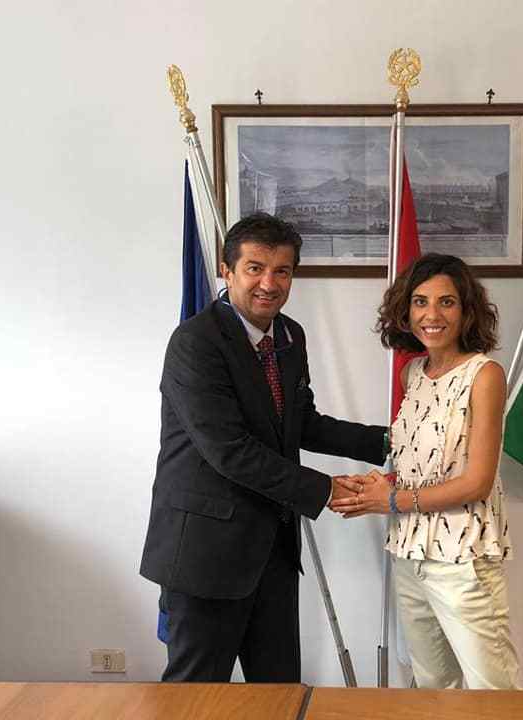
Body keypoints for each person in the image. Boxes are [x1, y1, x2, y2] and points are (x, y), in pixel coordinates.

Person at [139, 212, 387, 683]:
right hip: (205, 554)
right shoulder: (195, 343)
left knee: (278, 693)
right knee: (195, 698)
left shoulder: (290, 336)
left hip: (272, 551)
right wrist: (326, 490)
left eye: (282, 271)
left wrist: (390, 441)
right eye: (255, 268)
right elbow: (229, 449)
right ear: (227, 270)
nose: (269, 284)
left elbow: (300, 423)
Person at [331, 253, 520, 689]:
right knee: (433, 689)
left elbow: (477, 482)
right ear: (405, 310)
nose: (431, 314)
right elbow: (422, 463)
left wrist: (391, 500)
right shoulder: (412, 374)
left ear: (467, 310)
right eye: (420, 302)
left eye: (446, 302)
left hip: (464, 560)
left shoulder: (484, 375)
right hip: (410, 555)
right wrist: (379, 486)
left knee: (494, 695)